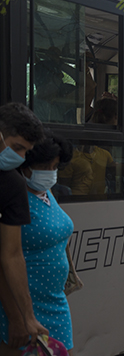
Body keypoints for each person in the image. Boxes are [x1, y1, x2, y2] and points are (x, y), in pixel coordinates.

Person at [0, 132, 74, 355]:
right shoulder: (13, 195)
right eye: (45, 167)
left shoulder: (46, 193)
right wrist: (16, 317)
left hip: (56, 302)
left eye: (55, 167)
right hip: (21, 306)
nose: (51, 173)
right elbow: (5, 259)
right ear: (26, 166)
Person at [0, 103, 48, 352]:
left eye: (24, 152)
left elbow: (11, 255)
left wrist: (26, 317)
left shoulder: (11, 184)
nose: (18, 158)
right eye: (16, 147)